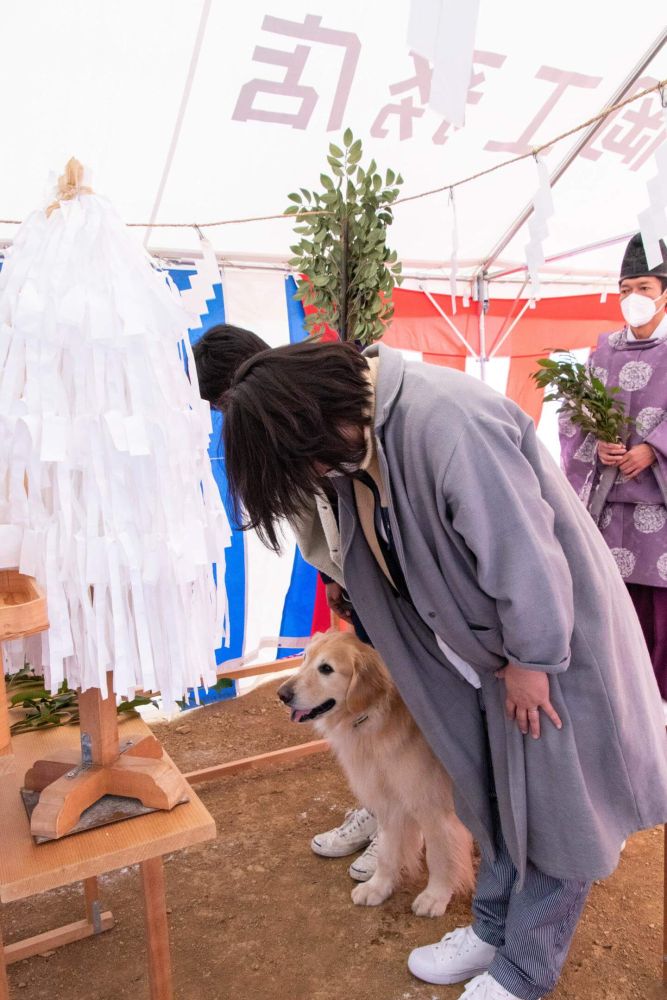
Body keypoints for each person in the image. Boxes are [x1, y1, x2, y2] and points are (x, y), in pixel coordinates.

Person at [220, 337, 667, 1000]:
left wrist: (530, 659)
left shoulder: (448, 421)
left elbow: (523, 552)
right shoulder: (364, 439)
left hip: (548, 653)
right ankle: (492, 929)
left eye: (304, 459)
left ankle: (523, 970)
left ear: (311, 419)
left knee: (554, 808)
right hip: (480, 656)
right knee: (486, 793)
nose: (312, 473)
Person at [193, 324, 379, 878]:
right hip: (354, 576)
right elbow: (312, 515)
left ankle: (399, 820)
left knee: (395, 708)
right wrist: (332, 578)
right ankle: (381, 808)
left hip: (383, 575)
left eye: (226, 401)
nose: (229, 416)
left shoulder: (300, 412)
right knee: (364, 710)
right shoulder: (271, 419)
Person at [561, 233, 667, 705]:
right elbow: (572, 413)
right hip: (608, 509)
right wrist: (598, 441)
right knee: (610, 610)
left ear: (665, 292)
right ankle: (619, 707)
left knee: (661, 619)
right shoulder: (601, 351)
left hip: (660, 514)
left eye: (644, 287)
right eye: (625, 288)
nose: (633, 299)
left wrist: (656, 449)